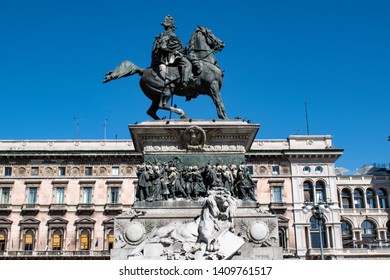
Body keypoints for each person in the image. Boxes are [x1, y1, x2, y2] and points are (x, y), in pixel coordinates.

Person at [151, 15, 193, 91]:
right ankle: (185, 83)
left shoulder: (168, 35)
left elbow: (177, 46)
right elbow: (163, 47)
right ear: (170, 27)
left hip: (177, 54)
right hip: (172, 56)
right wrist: (173, 51)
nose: (172, 28)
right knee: (188, 64)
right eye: (171, 27)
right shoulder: (167, 35)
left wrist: (184, 50)